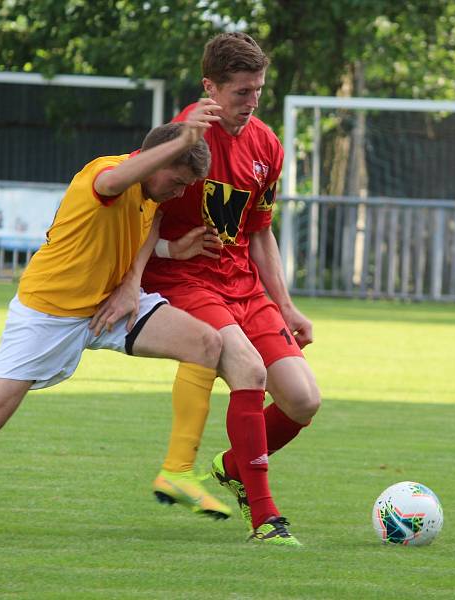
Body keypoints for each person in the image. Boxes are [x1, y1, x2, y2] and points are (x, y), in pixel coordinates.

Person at [0, 101, 229, 536]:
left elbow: (150, 225)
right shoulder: (105, 174)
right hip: (46, 316)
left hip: (108, 306)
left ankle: (177, 472)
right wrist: (183, 139)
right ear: (155, 161)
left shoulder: (151, 197)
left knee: (207, 344)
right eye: (177, 181)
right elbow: (116, 181)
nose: (179, 193)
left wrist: (149, 267)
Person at [142, 32, 321, 546]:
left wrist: (286, 305)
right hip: (186, 282)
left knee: (304, 400)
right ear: (209, 88)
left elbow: (260, 231)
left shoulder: (267, 145)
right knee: (248, 367)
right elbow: (140, 212)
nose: (252, 102)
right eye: (241, 92)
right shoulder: (179, 136)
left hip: (244, 285)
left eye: (258, 91)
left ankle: (232, 465)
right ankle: (266, 518)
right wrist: (155, 264)